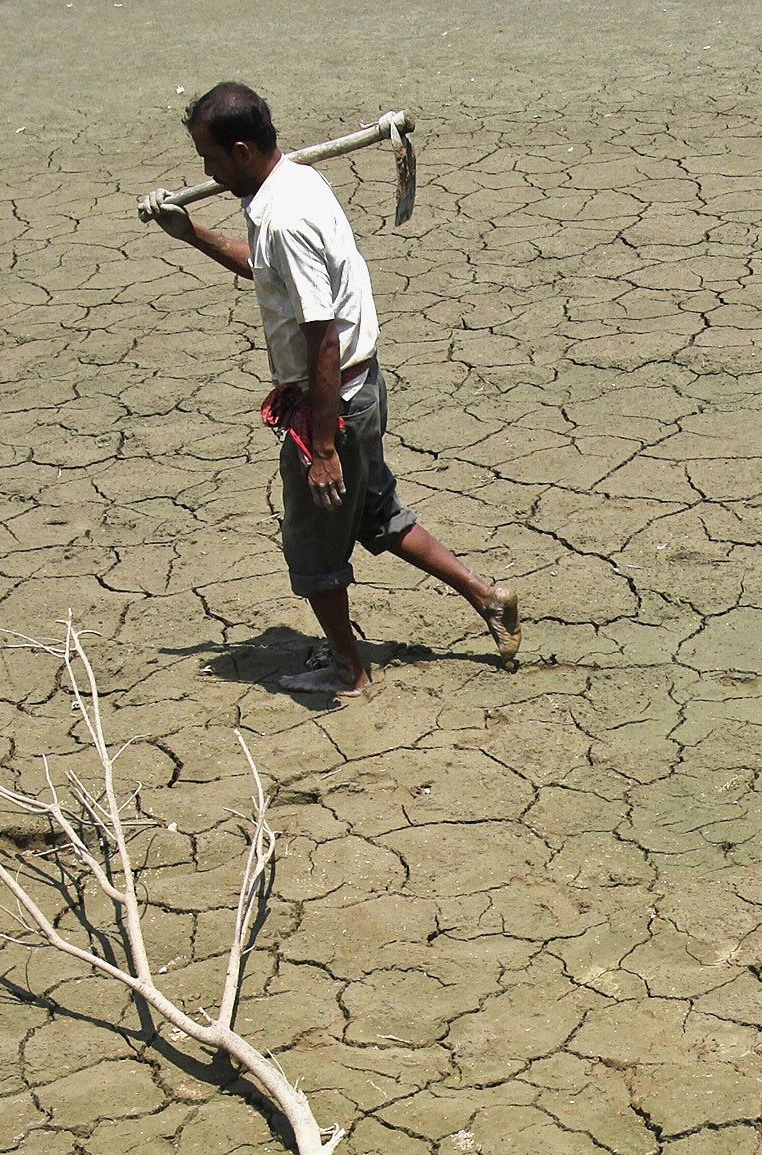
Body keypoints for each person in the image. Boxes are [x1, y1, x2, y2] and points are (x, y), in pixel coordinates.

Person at [151, 83, 518, 699]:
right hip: (361, 385)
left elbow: (322, 338)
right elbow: (262, 267)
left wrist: (321, 445)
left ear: (241, 151)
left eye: (209, 159)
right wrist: (190, 233)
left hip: (334, 399)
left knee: (313, 546)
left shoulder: (287, 215)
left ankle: (350, 669)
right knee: (377, 513)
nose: (205, 172)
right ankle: (488, 596)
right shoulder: (291, 182)